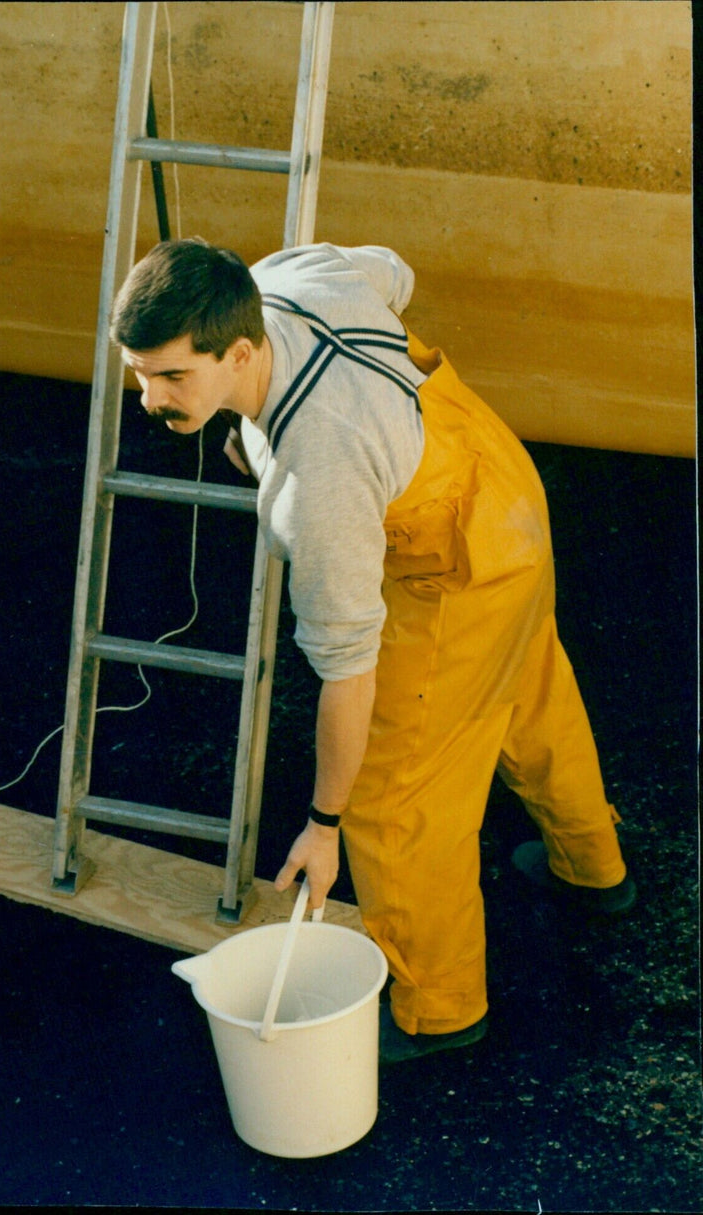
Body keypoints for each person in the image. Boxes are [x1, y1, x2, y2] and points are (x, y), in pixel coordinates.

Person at [110, 238, 636, 1063]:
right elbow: (394, 272)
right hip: (505, 487)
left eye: (173, 375)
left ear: (239, 349)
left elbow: (347, 674)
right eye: (140, 371)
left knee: (396, 791)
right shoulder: (289, 275)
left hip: (458, 563)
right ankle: (593, 866)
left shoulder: (317, 483)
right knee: (530, 689)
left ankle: (441, 1005)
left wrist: (327, 824)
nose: (149, 396)